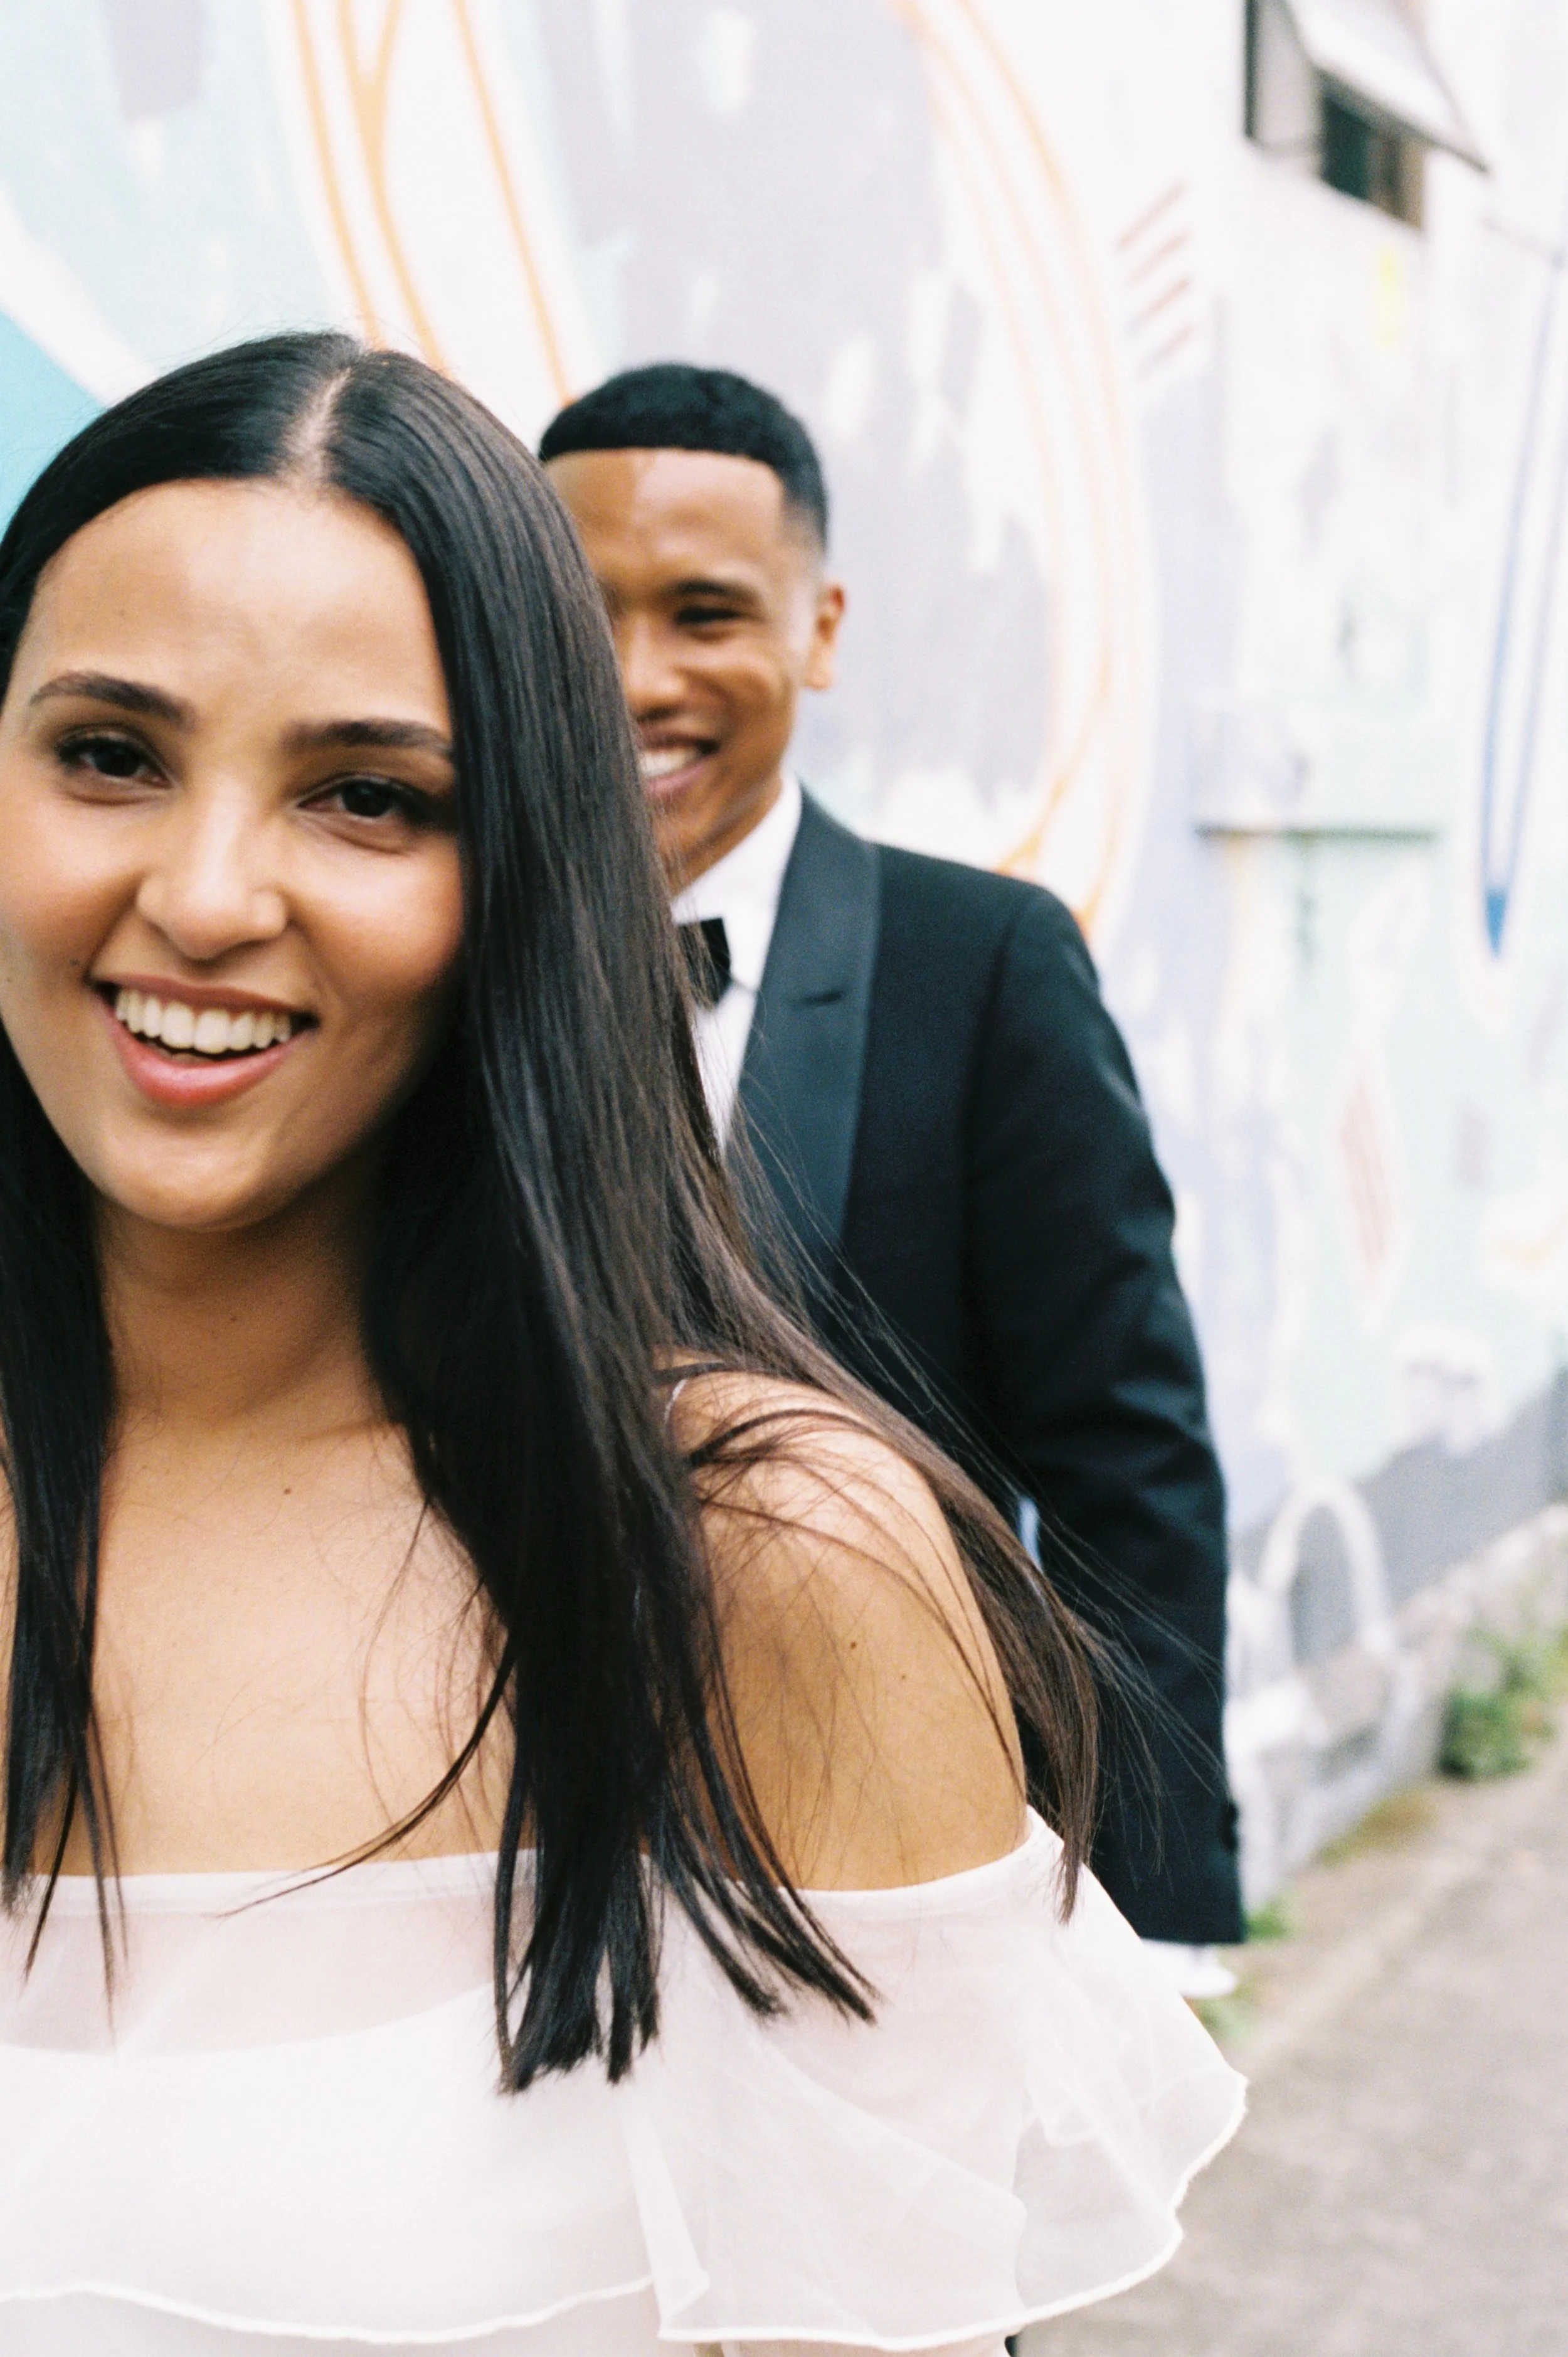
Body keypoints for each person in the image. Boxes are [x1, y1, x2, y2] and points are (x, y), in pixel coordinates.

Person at [0, 333, 1240, 2353]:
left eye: (369, 796)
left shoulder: (774, 1569)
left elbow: (1126, 1449)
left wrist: (1166, 1888)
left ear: (528, 878)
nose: (206, 893)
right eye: (109, 753)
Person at [540, 364, 1244, 1990]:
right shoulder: (424, 947)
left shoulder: (981, 964)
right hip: (499, 1863)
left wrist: (1131, 1902)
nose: (634, 676)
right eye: (580, 614)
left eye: (706, 612)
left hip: (881, 1870)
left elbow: (1123, 1460)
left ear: (821, 626)